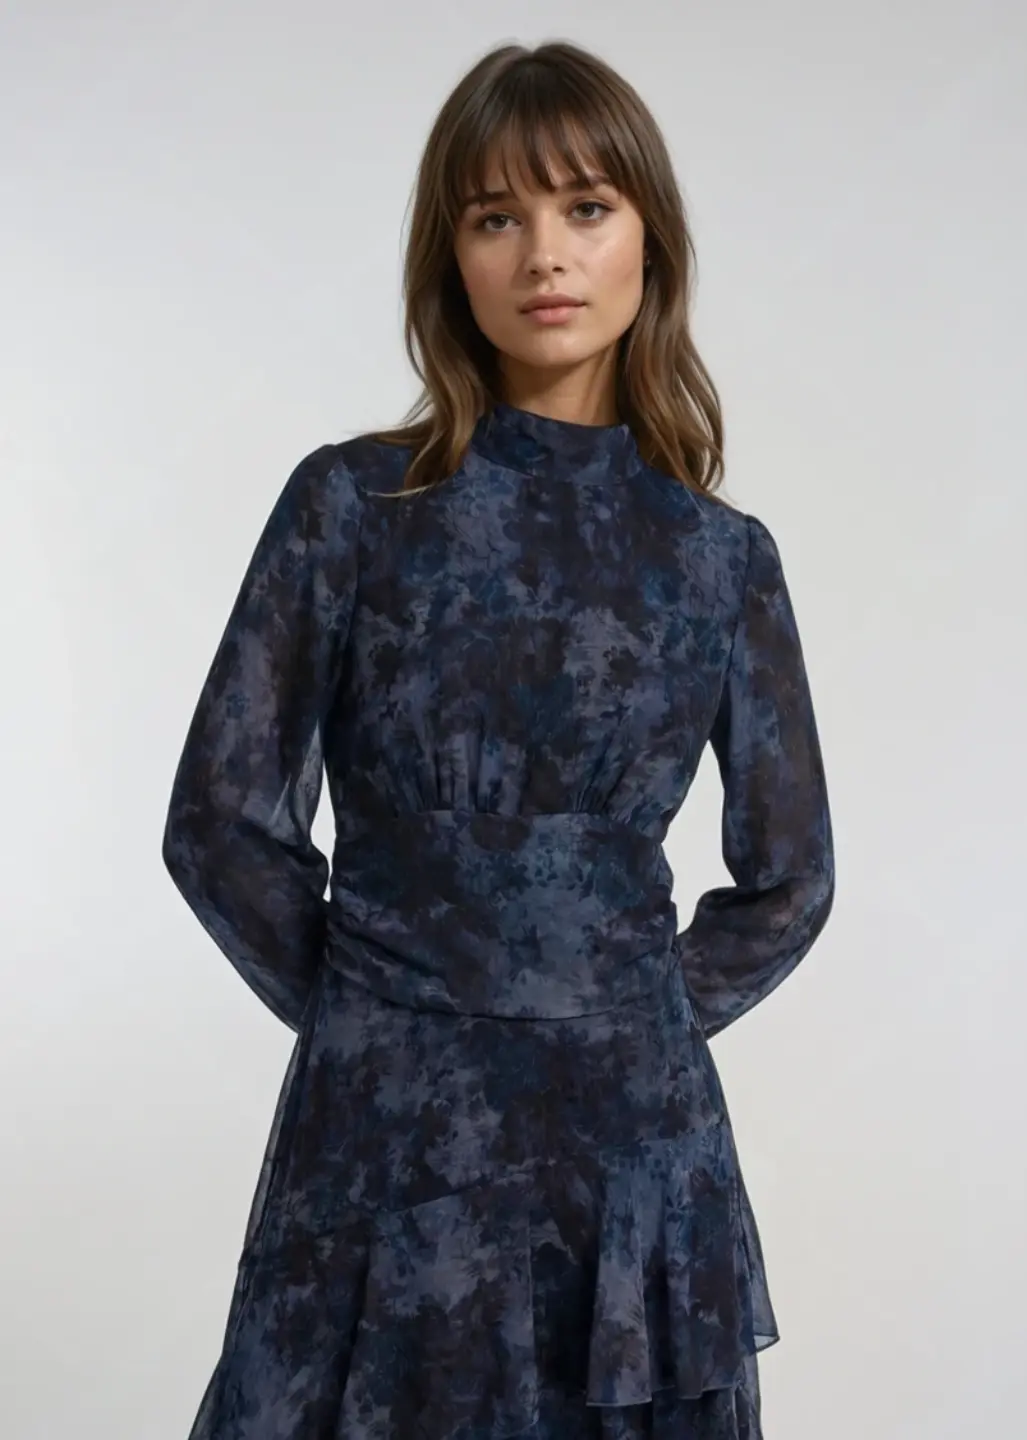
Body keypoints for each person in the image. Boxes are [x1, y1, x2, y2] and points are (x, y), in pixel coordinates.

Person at [161, 37, 835, 1440]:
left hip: (631, 1143)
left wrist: (610, 1005)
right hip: (390, 1128)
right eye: (495, 216)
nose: (546, 254)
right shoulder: (352, 506)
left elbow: (790, 876)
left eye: (586, 206)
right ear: (451, 258)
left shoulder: (722, 558)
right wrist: (383, 1001)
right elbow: (220, 818)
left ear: (650, 237)